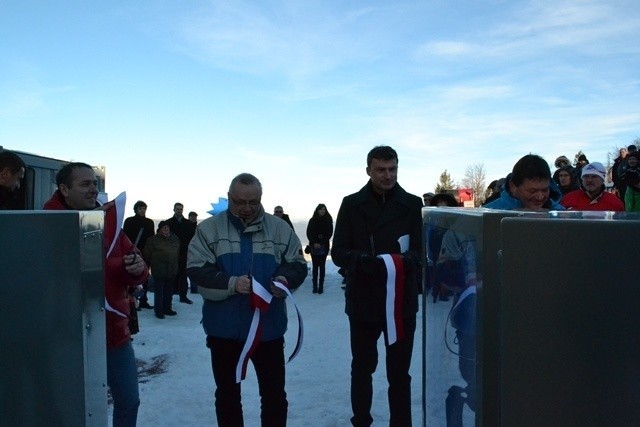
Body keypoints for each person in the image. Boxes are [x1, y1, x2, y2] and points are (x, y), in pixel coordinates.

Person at [187, 173, 307, 427]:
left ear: (261, 198)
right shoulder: (209, 229)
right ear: (229, 197)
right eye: (240, 202)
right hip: (224, 330)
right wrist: (231, 283)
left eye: (253, 202)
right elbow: (196, 269)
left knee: (274, 396)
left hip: (269, 330)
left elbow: (297, 264)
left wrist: (285, 279)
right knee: (228, 396)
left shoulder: (280, 228)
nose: (247, 208)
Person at [43, 162, 149, 426]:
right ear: (65, 190)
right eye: (86, 184)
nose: (94, 190)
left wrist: (137, 269)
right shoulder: (46, 225)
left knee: (129, 400)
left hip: (114, 333)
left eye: (96, 183)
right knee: (74, 405)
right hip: (68, 337)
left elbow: (136, 268)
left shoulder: (110, 223)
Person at [331, 145, 423, 426]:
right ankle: (361, 420)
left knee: (399, 373)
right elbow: (338, 252)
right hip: (364, 301)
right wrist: (362, 260)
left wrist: (406, 261)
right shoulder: (351, 204)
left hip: (401, 301)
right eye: (381, 170)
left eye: (392, 169)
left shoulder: (413, 204)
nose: (387, 175)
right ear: (368, 170)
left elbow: (422, 251)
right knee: (362, 368)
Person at [483, 154, 564, 211]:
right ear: (513, 187)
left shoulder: (560, 213)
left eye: (545, 190)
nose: (540, 197)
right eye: (532, 191)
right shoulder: (489, 214)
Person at [123, 200, 156, 310]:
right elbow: (125, 238)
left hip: (146, 252)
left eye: (144, 209)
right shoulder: (129, 221)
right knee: (133, 277)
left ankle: (143, 300)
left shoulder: (149, 222)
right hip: (133, 252)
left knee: (145, 277)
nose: (142, 211)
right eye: (140, 209)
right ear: (136, 210)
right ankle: (134, 300)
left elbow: (152, 239)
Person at [144, 221, 180, 319]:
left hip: (171, 269)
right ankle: (159, 311)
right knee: (159, 292)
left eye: (167, 227)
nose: (166, 229)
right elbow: (147, 253)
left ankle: (168, 308)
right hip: (159, 269)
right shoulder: (153, 240)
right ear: (159, 229)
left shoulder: (175, 238)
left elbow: (177, 251)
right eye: (164, 227)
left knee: (169, 291)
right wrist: (153, 262)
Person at [166, 202, 193, 304]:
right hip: (171, 253)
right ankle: (169, 297)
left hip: (184, 253)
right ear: (174, 209)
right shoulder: (168, 223)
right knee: (171, 275)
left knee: (183, 275)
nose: (179, 211)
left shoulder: (188, 223)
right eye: (177, 209)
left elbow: (192, 239)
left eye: (181, 209)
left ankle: (183, 296)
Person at [305, 203, 334, 294]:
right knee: (315, 266)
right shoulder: (312, 220)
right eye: (321, 209)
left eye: (324, 209)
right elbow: (309, 232)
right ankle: (314, 286)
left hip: (324, 246)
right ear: (317, 210)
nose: (322, 211)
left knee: (322, 266)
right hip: (314, 246)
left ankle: (320, 286)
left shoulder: (328, 220)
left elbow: (329, 233)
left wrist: (320, 242)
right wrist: (314, 242)